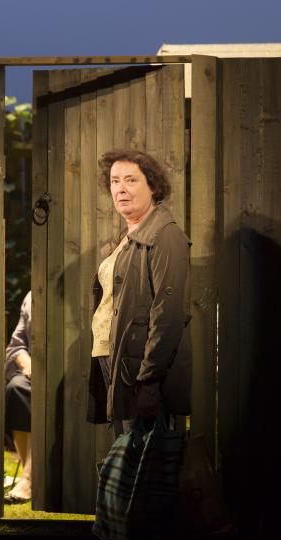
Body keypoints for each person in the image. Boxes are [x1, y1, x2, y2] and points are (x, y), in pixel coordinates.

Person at [87, 149, 192, 439]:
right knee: (128, 454)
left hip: (140, 370)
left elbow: (168, 315)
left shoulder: (164, 235)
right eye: (114, 181)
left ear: (153, 186)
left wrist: (149, 380)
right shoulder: (125, 239)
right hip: (116, 359)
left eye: (131, 180)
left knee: (146, 464)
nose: (121, 188)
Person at [4, 290, 32, 503]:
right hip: (33, 374)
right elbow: (16, 345)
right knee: (16, 388)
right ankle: (28, 474)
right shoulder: (32, 297)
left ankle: (30, 480)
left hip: (71, 375)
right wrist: (28, 364)